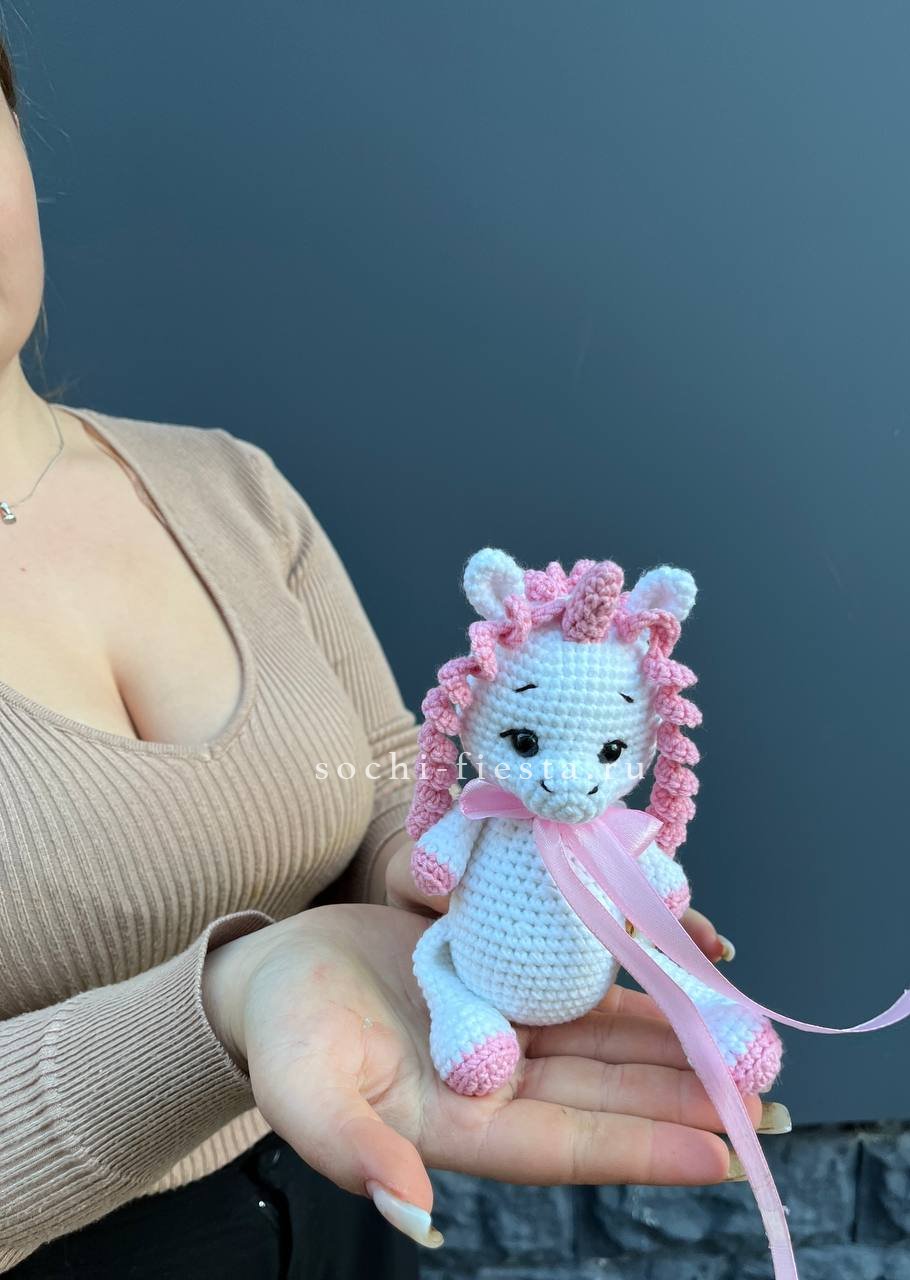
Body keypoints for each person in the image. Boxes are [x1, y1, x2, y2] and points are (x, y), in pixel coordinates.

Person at [0, 38, 788, 1280]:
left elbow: (380, 777)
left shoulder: (228, 488)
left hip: (350, 1199)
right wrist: (227, 1004)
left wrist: (506, 869)